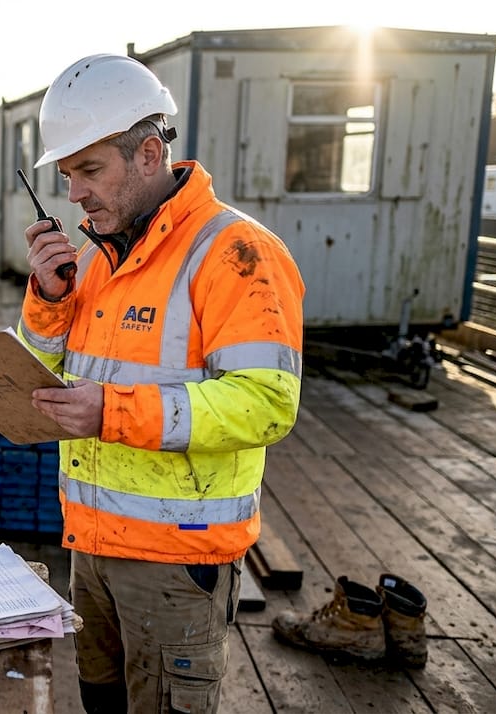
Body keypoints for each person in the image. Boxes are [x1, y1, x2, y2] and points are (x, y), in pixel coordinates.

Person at [18, 54, 305, 714]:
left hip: (174, 562)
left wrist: (110, 413)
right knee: (101, 702)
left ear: (149, 154)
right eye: (66, 175)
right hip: (89, 546)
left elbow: (266, 404)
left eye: (89, 170)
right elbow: (49, 366)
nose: (74, 194)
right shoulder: (95, 259)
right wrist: (49, 295)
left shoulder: (234, 252)